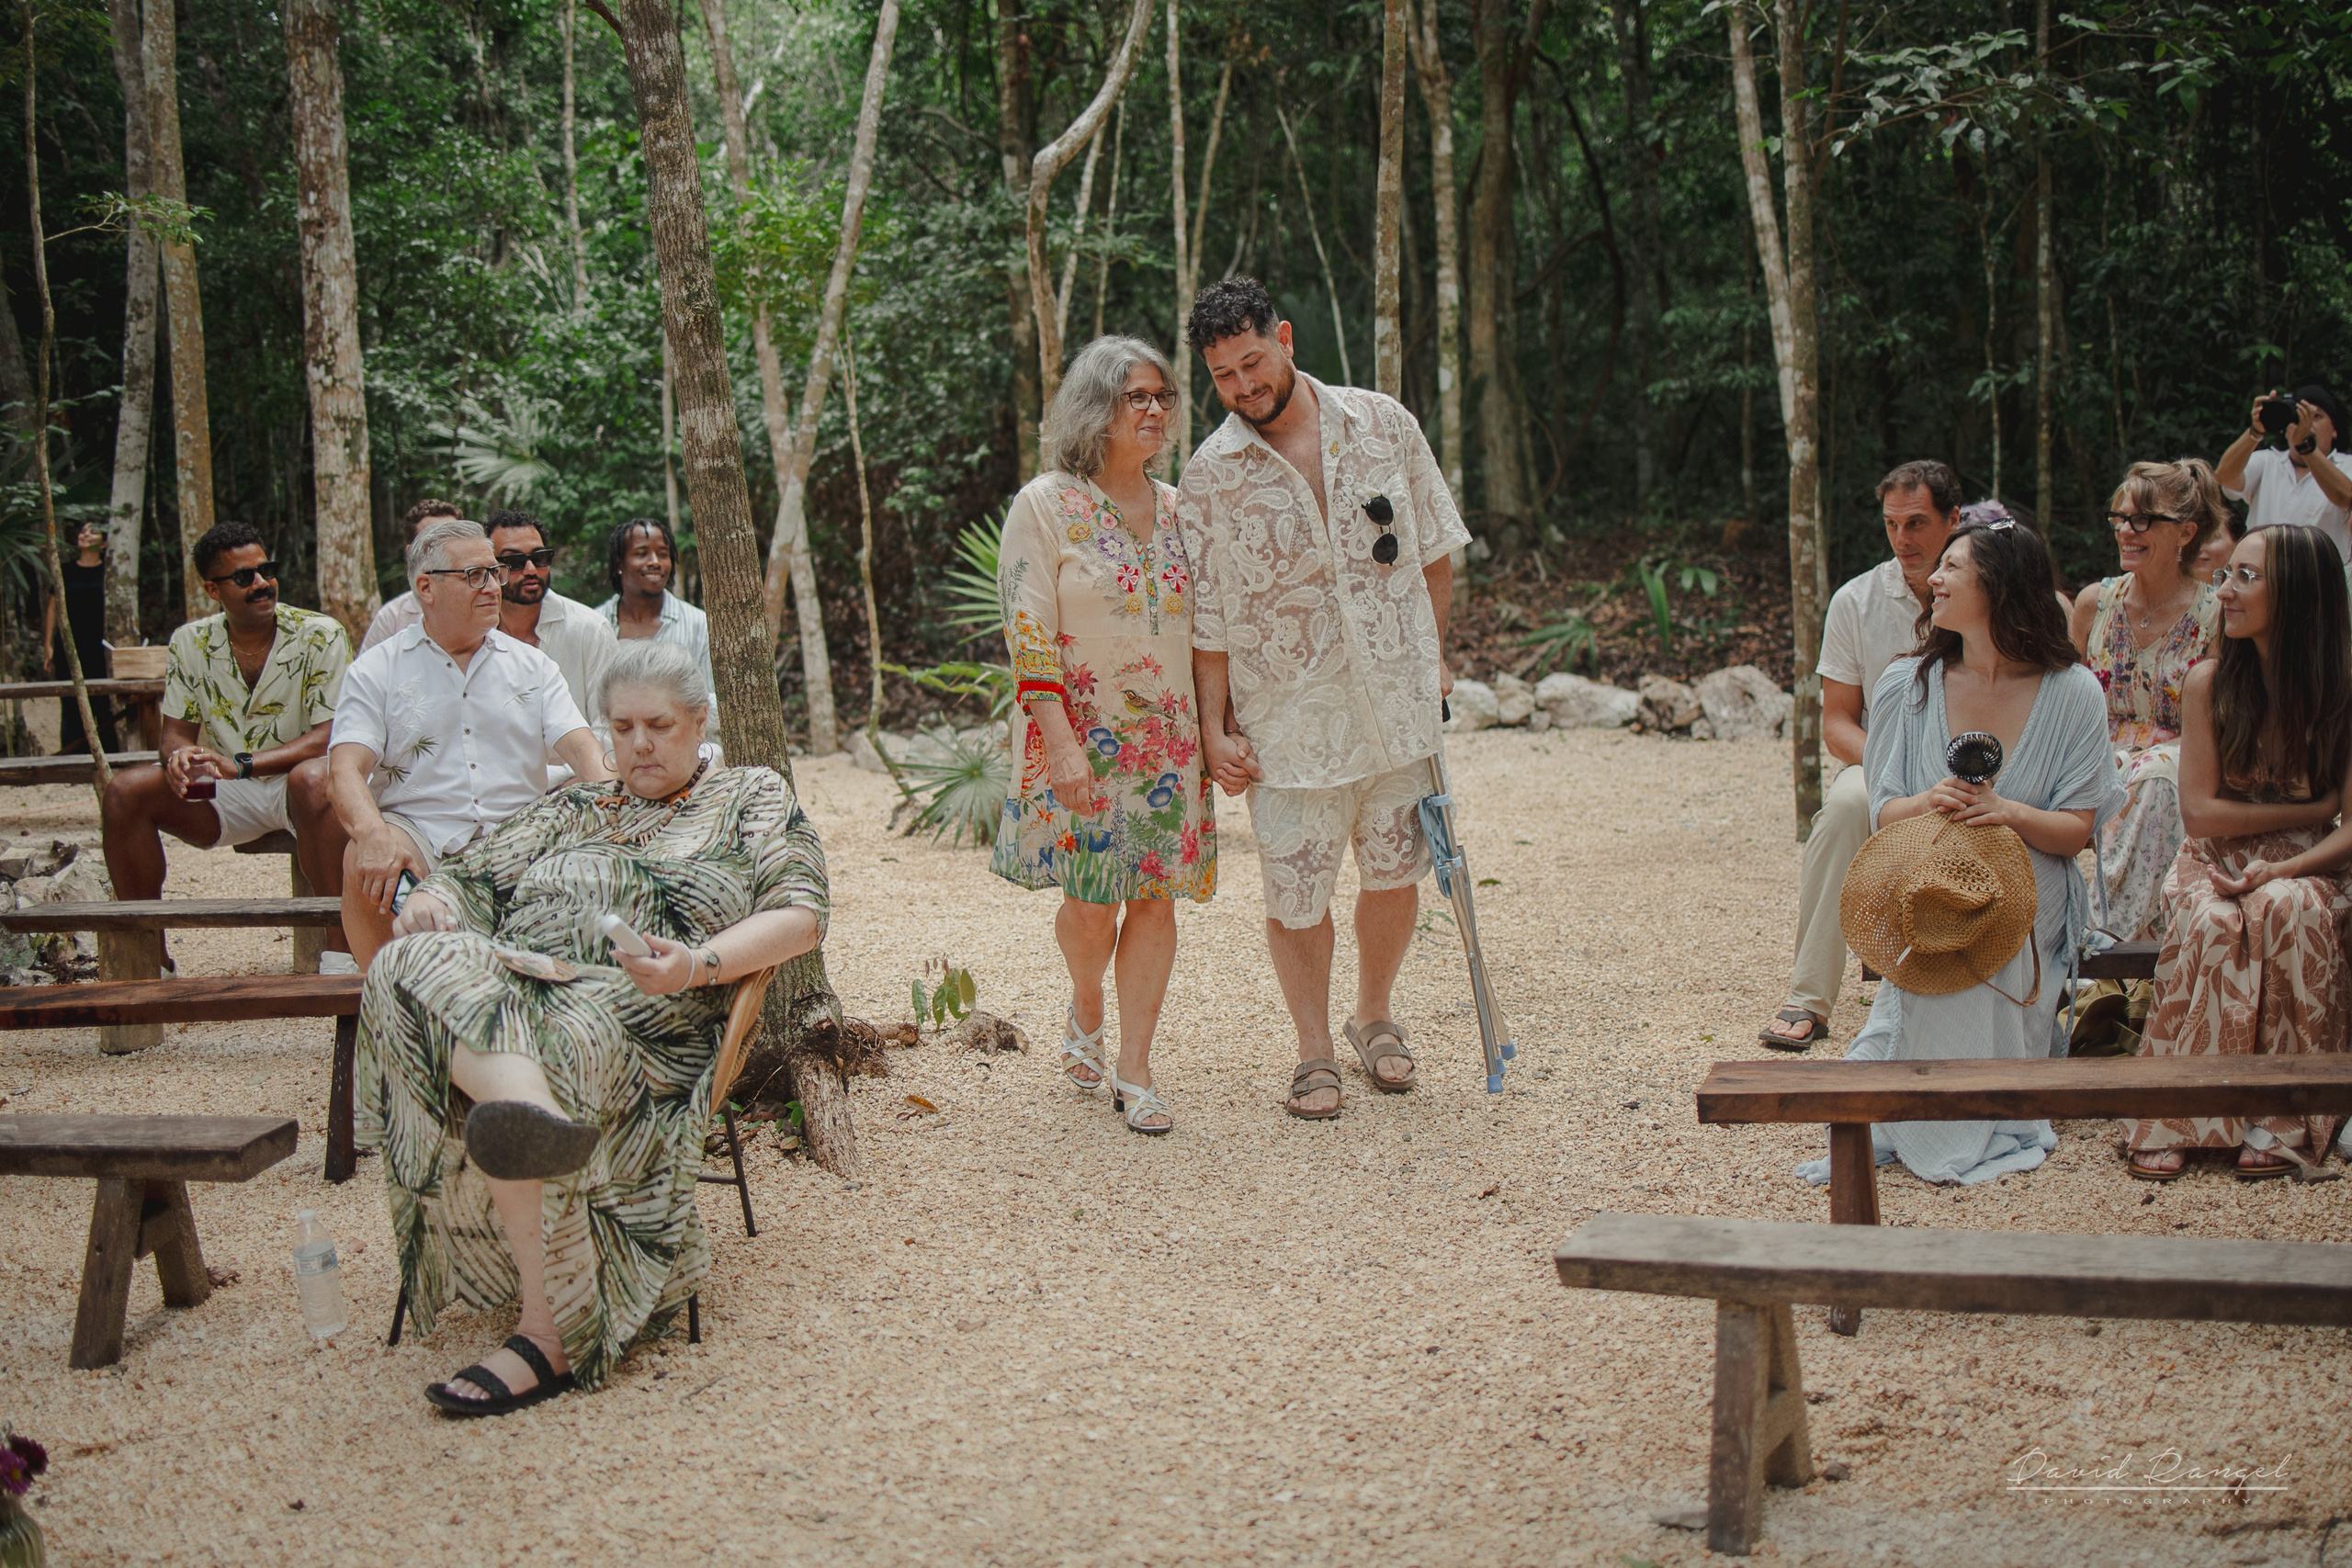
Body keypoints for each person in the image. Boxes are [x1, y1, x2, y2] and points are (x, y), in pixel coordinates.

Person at [356, 640, 828, 1413]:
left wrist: (697, 964)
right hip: (524, 989)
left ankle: (546, 1334)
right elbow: (472, 879)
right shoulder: (578, 803)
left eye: (659, 725)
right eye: (621, 727)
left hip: (650, 1017)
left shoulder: (749, 794)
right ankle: (531, 1121)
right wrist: (431, 902)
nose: (638, 744)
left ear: (699, 720)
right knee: (400, 965)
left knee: (549, 1028)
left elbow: (802, 916)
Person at [1177, 276, 1470, 1120]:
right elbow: (1208, 618)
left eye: (1253, 361)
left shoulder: (1383, 422)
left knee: (1395, 870)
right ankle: (1312, 1050)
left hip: (1394, 705)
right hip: (1287, 720)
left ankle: (1374, 1015)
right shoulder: (1211, 473)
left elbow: (1435, 552)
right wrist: (1211, 725)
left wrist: (1434, 658)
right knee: (1294, 892)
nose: (1243, 386)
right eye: (1224, 374)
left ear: (1288, 339)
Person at [1796, 518, 2120, 1188]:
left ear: (1999, 588)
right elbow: (1885, 811)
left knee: (1991, 920)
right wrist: (1930, 801)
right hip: (1930, 871)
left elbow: (2076, 831)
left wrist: (2007, 811)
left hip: (2032, 879)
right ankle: (1925, 1104)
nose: (1932, 579)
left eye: (1952, 568)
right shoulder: (1904, 686)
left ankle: (1974, 1104)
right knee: (1941, 913)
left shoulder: (2075, 693)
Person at [993, 336, 1214, 1134]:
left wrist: (1218, 731)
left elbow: (1210, 634)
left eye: (1163, 397)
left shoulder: (1185, 507)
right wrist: (1060, 742)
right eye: (1137, 398)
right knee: (1092, 907)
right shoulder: (1046, 504)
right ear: (1097, 410)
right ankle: (1084, 1002)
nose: (1156, 410)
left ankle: (1136, 1066)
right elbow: (1028, 633)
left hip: (1170, 745)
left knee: (1155, 901)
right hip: (1082, 736)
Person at [2120, 525, 2352, 1180]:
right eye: (2228, 575)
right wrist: (2309, 808)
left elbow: (2351, 827)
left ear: (2300, 593)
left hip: (2312, 860)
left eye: (2246, 577)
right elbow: (2201, 813)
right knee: (2215, 921)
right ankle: (2181, 1111)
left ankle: (2280, 1114)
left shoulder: (2343, 691)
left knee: (2288, 907)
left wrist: (2287, 861)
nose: (2224, 590)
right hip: (2213, 857)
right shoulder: (2210, 683)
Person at [327, 518, 610, 967]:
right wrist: (373, 834)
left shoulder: (532, 666)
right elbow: (344, 770)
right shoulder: (377, 669)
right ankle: (388, 993)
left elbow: (582, 749)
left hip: (521, 832)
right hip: (419, 833)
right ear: (426, 588)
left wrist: (618, 808)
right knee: (363, 855)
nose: (494, 587)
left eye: (493, 573)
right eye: (475, 576)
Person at [1760, 461, 1959, 1049]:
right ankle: (1808, 998)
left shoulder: (1985, 591)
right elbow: (1838, 723)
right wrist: (1894, 770)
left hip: (1974, 763)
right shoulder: (1857, 600)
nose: (1904, 540)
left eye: (1918, 523)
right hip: (1880, 762)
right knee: (1844, 807)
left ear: (1953, 520)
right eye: (1892, 525)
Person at [99, 523, 350, 917]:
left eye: (267, 570)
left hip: (301, 784)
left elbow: (329, 736)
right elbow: (175, 734)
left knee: (316, 779)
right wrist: (181, 757)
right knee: (124, 792)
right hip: (227, 788)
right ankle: (149, 952)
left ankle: (339, 953)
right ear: (212, 590)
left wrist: (241, 764)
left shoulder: (320, 634)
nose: (262, 583)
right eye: (243, 577)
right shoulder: (189, 641)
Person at [2066, 460, 2224, 946]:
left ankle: (2111, 944)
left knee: (2153, 777)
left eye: (2141, 520)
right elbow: (2066, 698)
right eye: (2119, 518)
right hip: (2099, 747)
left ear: (2185, 533)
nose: (2125, 532)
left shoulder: (2216, 613)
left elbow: (2217, 725)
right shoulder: (2095, 603)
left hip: (2183, 755)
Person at [484, 508, 617, 732]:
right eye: (514, 561)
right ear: (490, 568)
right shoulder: (474, 634)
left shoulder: (590, 630)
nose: (530, 570)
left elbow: (609, 732)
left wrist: (548, 770)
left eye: (540, 558)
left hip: (576, 768)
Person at [2216, 384, 2352, 571]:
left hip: (2321, 588)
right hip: (2262, 583)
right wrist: (2255, 431)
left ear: (2334, 429)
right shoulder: (2267, 461)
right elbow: (2224, 477)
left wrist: (2306, 447)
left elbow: (2346, 497)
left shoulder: (2347, 466)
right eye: (2298, 416)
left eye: (2316, 416)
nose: (2305, 424)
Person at [596, 515, 717, 709]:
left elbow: (711, 702)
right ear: (620, 563)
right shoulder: (595, 624)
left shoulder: (698, 625)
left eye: (662, 554)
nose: (655, 562)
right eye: (641, 553)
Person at [41, 519, 119, 755]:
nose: (85, 534)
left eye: (92, 532)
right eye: (84, 530)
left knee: (102, 701)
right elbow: (53, 607)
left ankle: (110, 756)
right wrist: (47, 645)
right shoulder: (64, 570)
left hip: (100, 645)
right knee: (70, 700)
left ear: (104, 543)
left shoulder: (110, 572)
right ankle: (74, 757)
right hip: (68, 643)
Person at [359, 498, 464, 652]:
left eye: (454, 539)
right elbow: (366, 673)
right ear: (411, 553)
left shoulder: (484, 602)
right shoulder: (392, 618)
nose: (446, 550)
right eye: (434, 543)